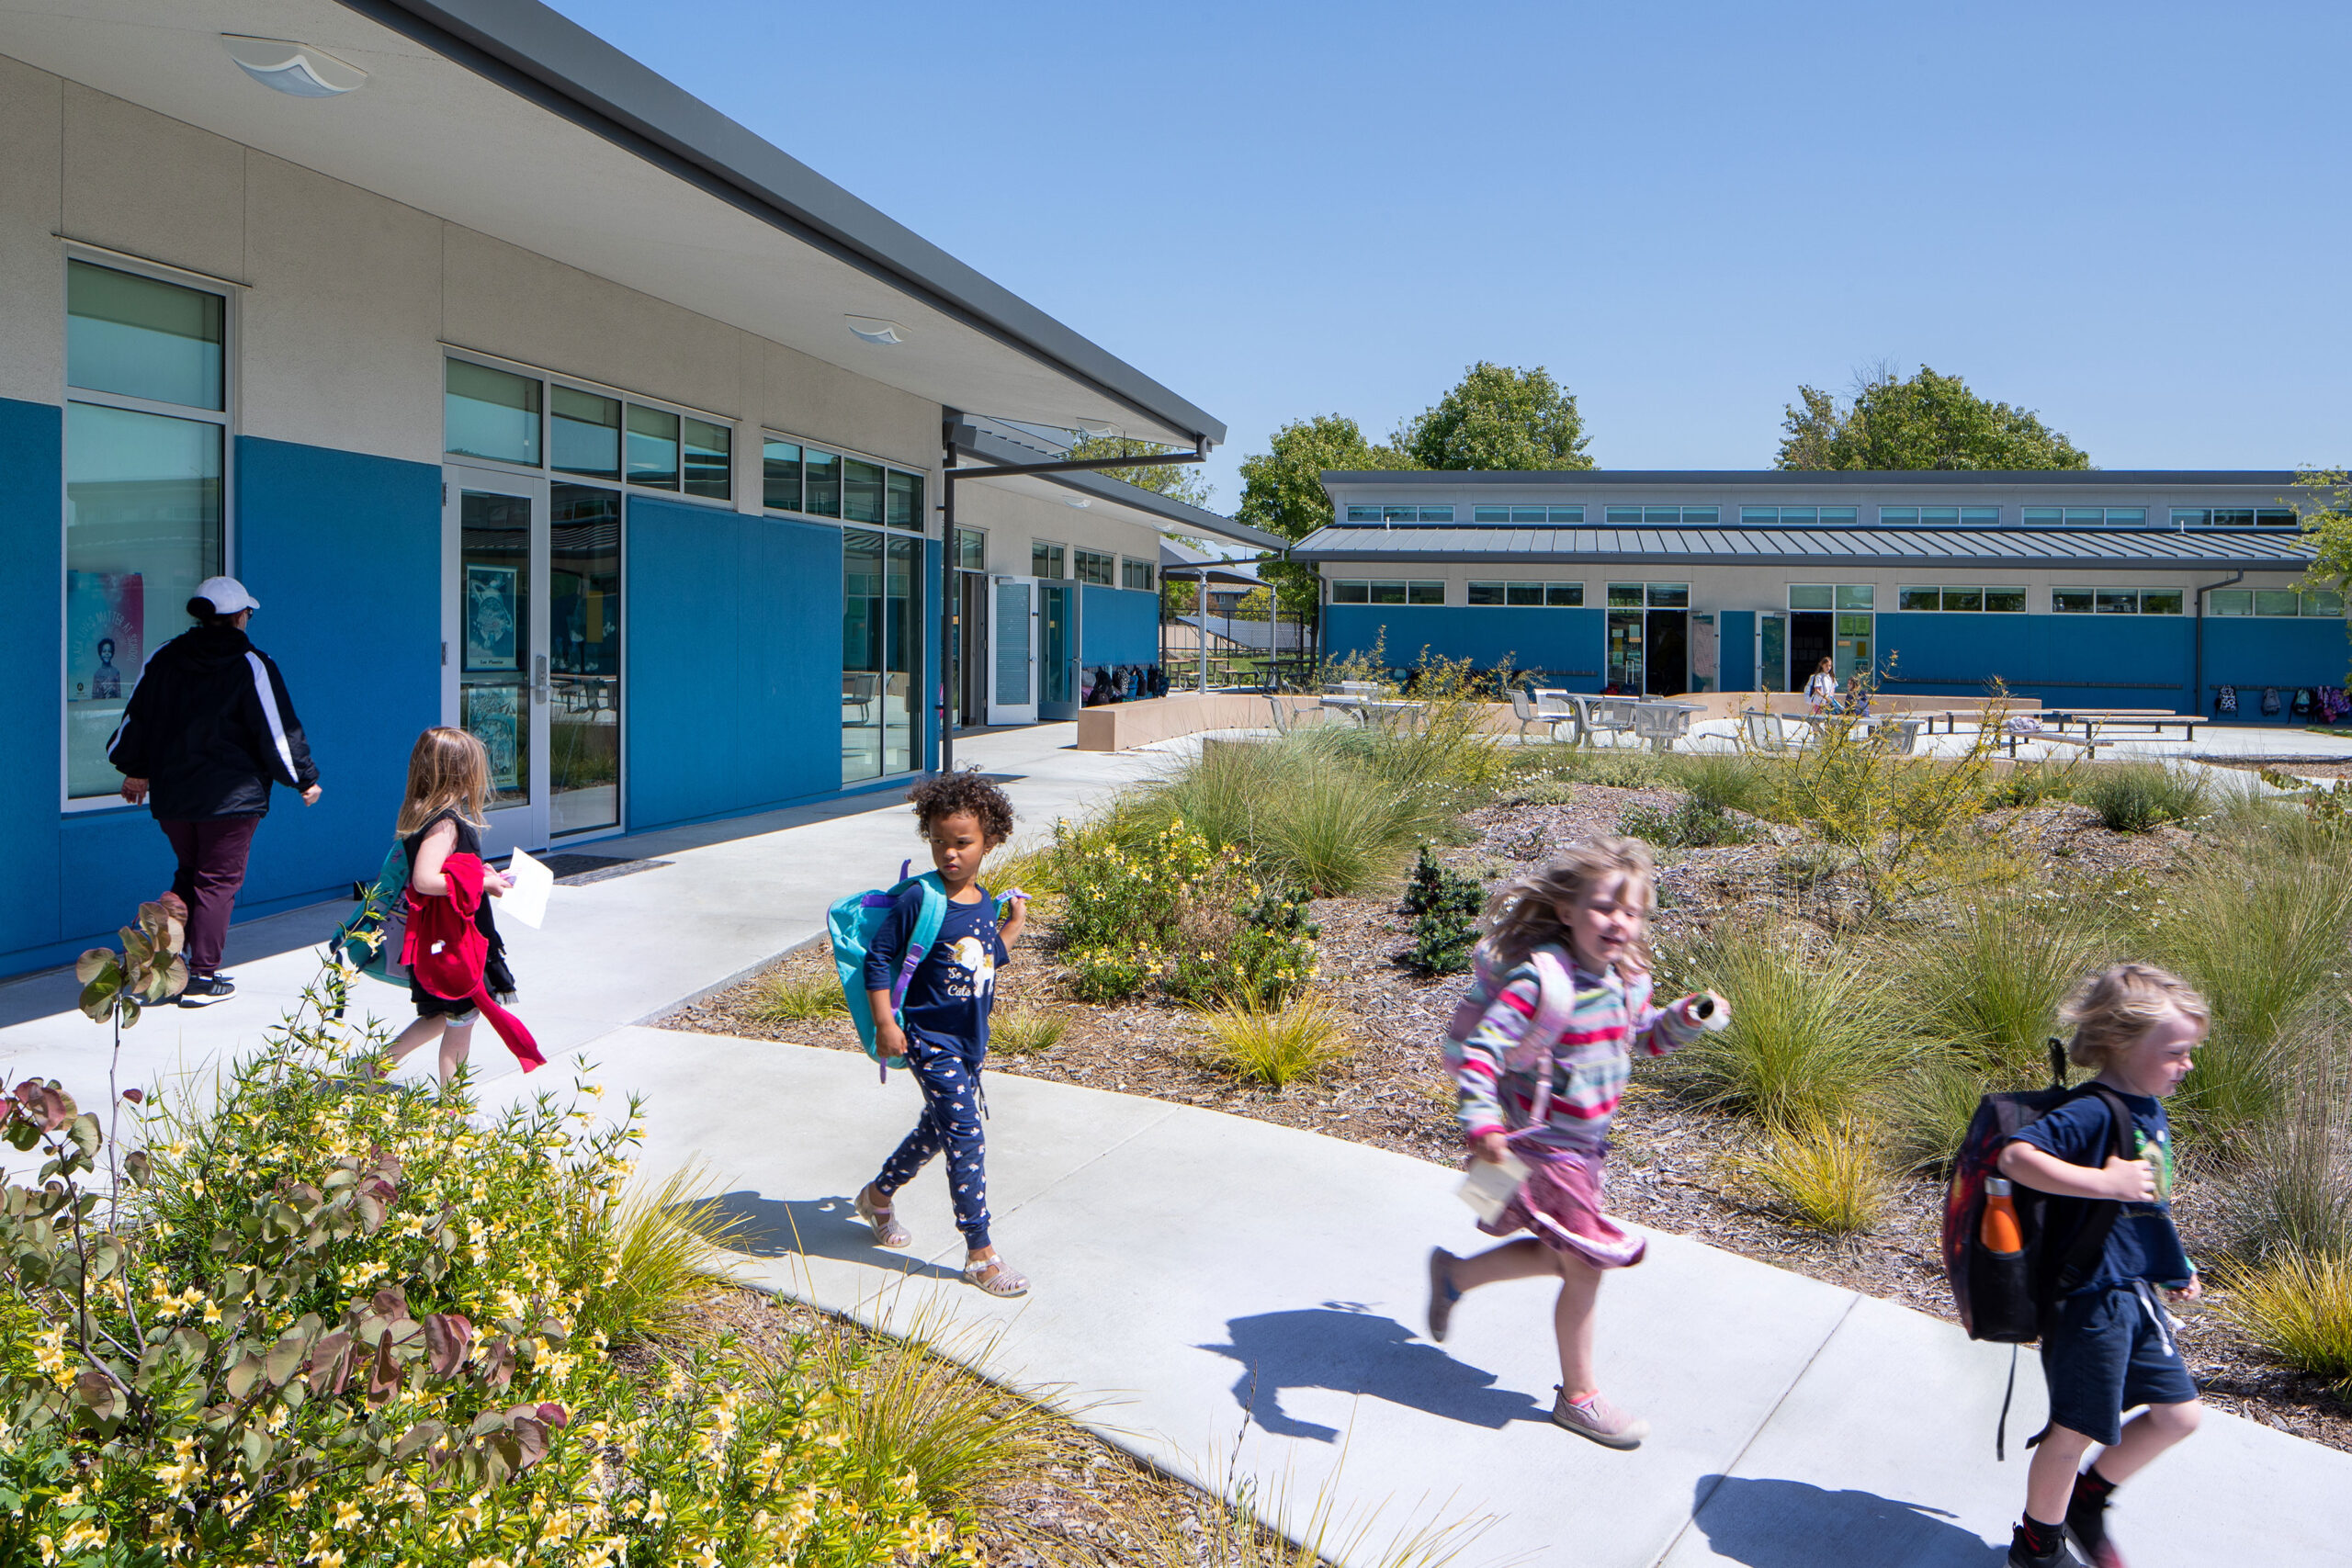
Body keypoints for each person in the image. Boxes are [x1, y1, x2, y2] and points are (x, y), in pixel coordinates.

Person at [1425, 837, 1725, 1450]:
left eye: (1631, 911)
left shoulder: (1623, 978)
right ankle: (1579, 1397)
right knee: (1586, 1265)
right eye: (1603, 906)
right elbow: (1483, 1052)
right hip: (1538, 1147)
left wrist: (1685, 1019)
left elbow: (1640, 1038)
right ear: (1566, 910)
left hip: (1583, 1151)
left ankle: (1453, 1273)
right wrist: (1481, 1125)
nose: (1618, 921)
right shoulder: (1543, 981)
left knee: (1556, 1255)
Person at [1997, 964, 2206, 1568]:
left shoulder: (2149, 1107)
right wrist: (2103, 1179)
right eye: (2175, 1051)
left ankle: (2087, 1500)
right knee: (2075, 1430)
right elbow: (2017, 1156)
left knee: (2178, 1414)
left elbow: (2144, 1205)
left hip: (2134, 1292)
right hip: (2089, 1299)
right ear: (2121, 1043)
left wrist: (2174, 1264)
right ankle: (2037, 1546)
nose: (2186, 1064)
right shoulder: (2093, 1110)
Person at [853, 771, 1031, 1296]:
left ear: (990, 841)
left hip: (970, 1042)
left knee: (936, 1130)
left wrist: (1012, 926)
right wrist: (887, 1022)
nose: (949, 854)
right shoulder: (921, 899)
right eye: (938, 842)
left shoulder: (982, 901)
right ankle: (981, 1254)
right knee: (965, 1137)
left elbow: (981, 959)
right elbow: (879, 958)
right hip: (930, 1040)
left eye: (962, 843)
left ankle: (877, 1197)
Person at [108, 576, 321, 1007]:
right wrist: (304, 778)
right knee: (217, 881)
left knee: (191, 874)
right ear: (240, 617)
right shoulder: (251, 663)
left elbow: (137, 720)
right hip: (231, 799)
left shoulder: (163, 658)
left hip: (175, 798)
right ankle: (202, 976)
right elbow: (278, 730)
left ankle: (153, 952)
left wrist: (135, 769)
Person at [379, 728, 515, 1090]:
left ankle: (368, 1072)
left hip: (440, 940)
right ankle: (453, 1114)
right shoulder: (444, 822)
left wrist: (479, 873)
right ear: (460, 773)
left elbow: (443, 871)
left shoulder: (426, 816)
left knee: (443, 1015)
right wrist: (482, 884)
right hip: (454, 946)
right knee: (461, 1022)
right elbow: (425, 879)